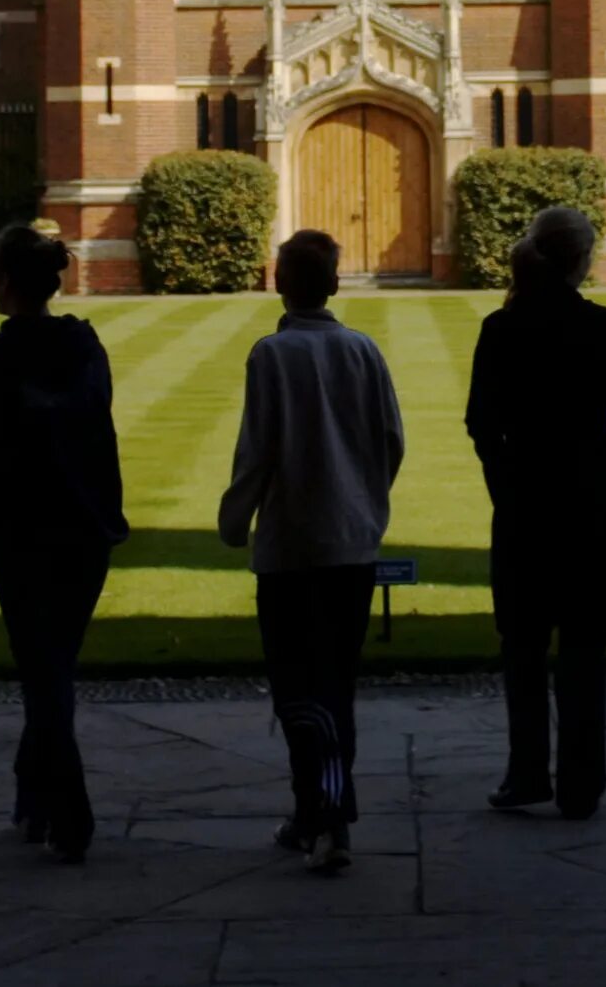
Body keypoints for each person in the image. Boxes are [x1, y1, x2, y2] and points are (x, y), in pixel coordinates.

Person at [217, 228, 405, 874]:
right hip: (353, 547)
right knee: (333, 688)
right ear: (334, 282)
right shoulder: (364, 349)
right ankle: (312, 812)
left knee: (298, 691)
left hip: (293, 550)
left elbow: (257, 449)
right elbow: (392, 440)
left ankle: (330, 818)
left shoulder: (271, 355)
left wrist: (234, 519)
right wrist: (366, 503)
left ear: (277, 280)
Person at [463, 203, 606, 820]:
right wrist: (602, 466)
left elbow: (480, 424)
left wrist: (504, 482)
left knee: (522, 649)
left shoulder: (503, 328)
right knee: (583, 651)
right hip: (589, 507)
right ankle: (581, 786)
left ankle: (527, 776)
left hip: (524, 501)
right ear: (582, 260)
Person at [0, 224, 127, 863]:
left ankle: (68, 809)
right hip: (84, 526)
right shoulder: (86, 347)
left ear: (3, 283)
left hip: (21, 529)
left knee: (42, 669)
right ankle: (33, 793)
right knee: (53, 665)